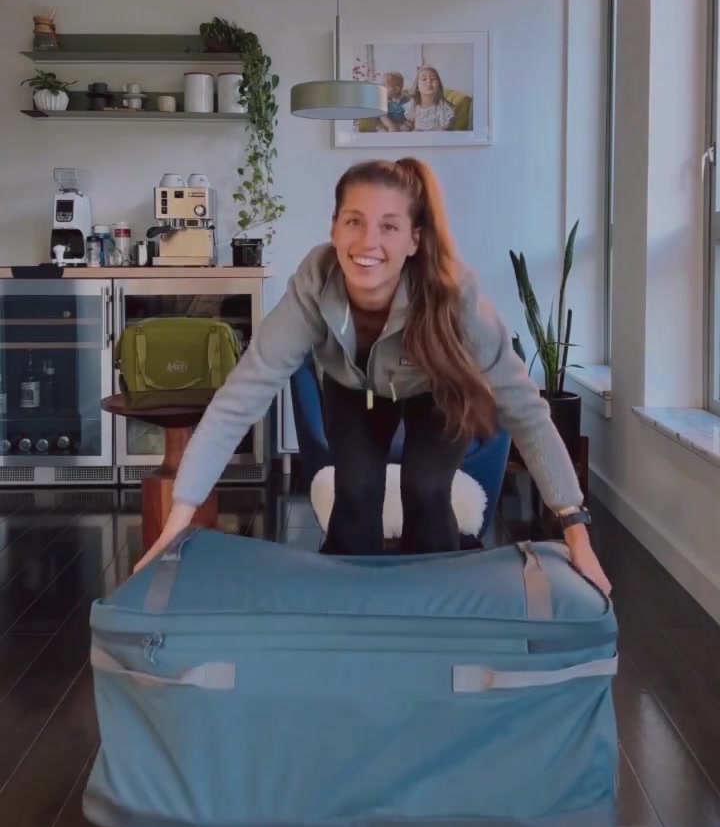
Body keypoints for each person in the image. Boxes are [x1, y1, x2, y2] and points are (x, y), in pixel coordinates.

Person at [134, 157, 611, 596]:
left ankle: (436, 609)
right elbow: (240, 398)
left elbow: (526, 410)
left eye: (389, 226)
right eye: (354, 222)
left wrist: (576, 531)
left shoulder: (452, 292)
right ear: (334, 228)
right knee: (356, 493)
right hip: (353, 390)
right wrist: (176, 524)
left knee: (426, 490)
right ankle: (347, 612)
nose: (367, 243)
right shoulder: (314, 284)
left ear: (414, 239)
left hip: (436, 390)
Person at [403, 66, 455, 132]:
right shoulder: (413, 105)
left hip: (436, 137)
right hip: (417, 137)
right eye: (424, 79)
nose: (429, 81)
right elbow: (409, 123)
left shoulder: (443, 107)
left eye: (433, 78)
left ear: (439, 85)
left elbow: (447, 129)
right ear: (417, 87)